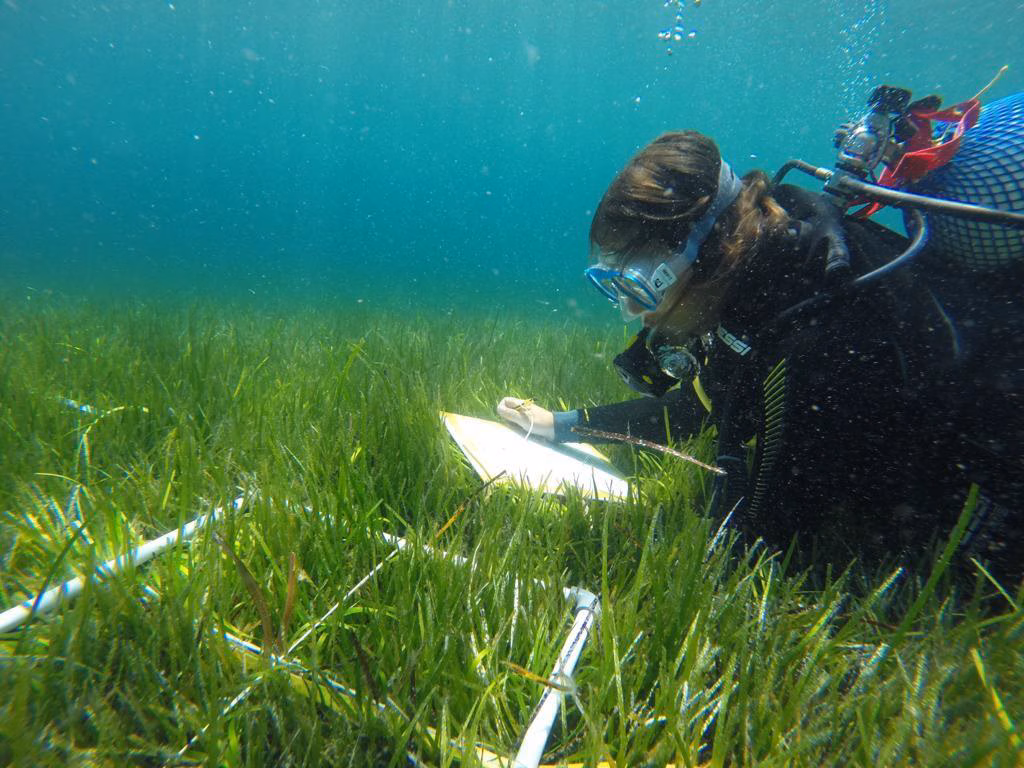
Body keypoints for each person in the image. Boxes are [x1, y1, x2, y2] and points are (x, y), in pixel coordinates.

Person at [497, 129, 1024, 584]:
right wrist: (562, 425)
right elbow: (699, 405)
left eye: (641, 286)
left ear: (702, 253)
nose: (633, 315)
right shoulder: (760, 279)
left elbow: (769, 538)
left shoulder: (808, 330)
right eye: (615, 287)